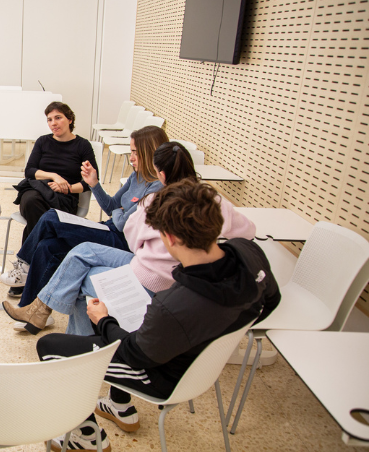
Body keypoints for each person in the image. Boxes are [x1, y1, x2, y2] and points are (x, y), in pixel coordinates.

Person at [38, 180, 281, 452]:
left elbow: (132, 353)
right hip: (198, 362)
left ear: (170, 239)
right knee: (99, 303)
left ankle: (86, 435)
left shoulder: (173, 306)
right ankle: (118, 404)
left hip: (162, 375)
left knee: (51, 347)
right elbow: (272, 301)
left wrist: (103, 320)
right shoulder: (249, 253)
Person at [4, 143, 256, 334]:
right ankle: (40, 311)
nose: (132, 157)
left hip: (146, 273)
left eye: (135, 151)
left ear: (161, 174)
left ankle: (70, 338)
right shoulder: (216, 200)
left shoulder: (156, 199)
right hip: (177, 275)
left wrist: (120, 215)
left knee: (79, 269)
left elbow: (132, 238)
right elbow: (248, 232)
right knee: (76, 250)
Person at [0, 126, 165, 308]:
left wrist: (118, 211)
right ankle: (28, 308)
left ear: (150, 153)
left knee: (51, 217)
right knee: (47, 246)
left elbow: (121, 225)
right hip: (109, 228)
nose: (131, 158)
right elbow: (111, 206)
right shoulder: (137, 176)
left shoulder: (157, 187)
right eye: (131, 151)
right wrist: (94, 184)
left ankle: (24, 264)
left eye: (135, 153)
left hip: (121, 240)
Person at [7, 102, 98, 298]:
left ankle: (25, 271)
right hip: (37, 191)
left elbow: (90, 181)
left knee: (42, 218)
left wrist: (68, 187)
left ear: (70, 119)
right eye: (49, 119)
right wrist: (54, 176)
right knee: (31, 202)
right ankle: (39, 271)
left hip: (64, 198)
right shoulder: (43, 141)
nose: (53, 123)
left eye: (58, 118)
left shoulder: (82, 146)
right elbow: (30, 171)